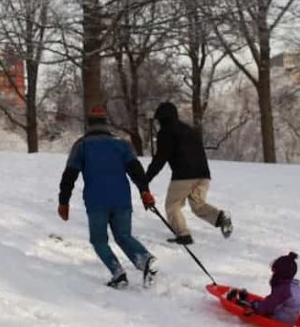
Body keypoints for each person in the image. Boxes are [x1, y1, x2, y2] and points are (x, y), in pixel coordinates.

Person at [58, 106, 158, 288]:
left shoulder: (82, 145)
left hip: (97, 202)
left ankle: (118, 274)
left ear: (89, 125)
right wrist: (144, 191)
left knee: (99, 240)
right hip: (122, 200)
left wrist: (63, 201)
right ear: (105, 124)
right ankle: (144, 260)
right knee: (124, 236)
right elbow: (136, 170)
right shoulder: (121, 144)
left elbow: (69, 175)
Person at [144, 101, 232, 245]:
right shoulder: (189, 130)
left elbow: (160, 158)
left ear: (162, 118)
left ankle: (184, 235)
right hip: (203, 174)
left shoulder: (166, 132)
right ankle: (220, 217)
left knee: (172, 206)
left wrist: (146, 178)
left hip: (183, 176)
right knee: (198, 205)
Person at [225, 252, 300, 326]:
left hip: (276, 320)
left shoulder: (284, 289)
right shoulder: (299, 289)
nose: (273, 272)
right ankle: (247, 299)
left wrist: (254, 306)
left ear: (280, 272)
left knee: (255, 306)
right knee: (263, 303)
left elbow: (266, 307)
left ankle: (237, 301)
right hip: (289, 322)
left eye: (274, 270)